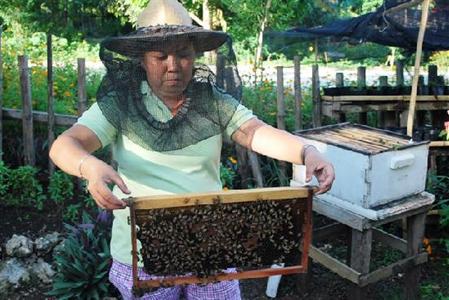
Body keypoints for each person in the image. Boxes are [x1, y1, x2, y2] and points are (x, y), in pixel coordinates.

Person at [49, 0, 335, 299]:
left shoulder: (212, 101)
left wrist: (306, 151)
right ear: (142, 60)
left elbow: (254, 132)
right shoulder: (122, 104)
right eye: (160, 56)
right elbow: (66, 144)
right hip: (143, 252)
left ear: (196, 56)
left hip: (210, 243)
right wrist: (89, 167)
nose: (173, 66)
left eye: (183, 55)